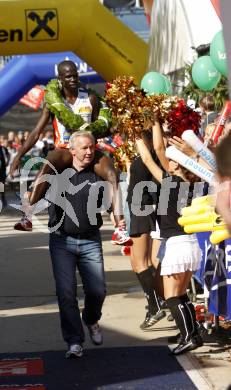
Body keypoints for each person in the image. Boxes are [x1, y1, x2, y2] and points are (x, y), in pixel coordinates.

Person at [10, 60, 127, 241]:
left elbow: (102, 128)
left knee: (112, 174)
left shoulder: (91, 98)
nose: (73, 79)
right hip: (64, 149)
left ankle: (120, 228)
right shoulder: (52, 101)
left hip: (89, 148)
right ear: (60, 79)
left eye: (75, 75)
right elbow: (36, 133)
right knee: (48, 164)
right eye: (68, 76)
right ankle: (27, 216)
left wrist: (119, 123)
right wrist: (19, 155)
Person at [136, 119, 203, 355]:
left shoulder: (171, 183)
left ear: (177, 166)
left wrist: (135, 132)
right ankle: (193, 332)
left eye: (173, 160)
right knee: (181, 294)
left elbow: (150, 156)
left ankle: (189, 337)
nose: (168, 161)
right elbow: (158, 152)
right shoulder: (196, 184)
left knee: (172, 296)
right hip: (189, 242)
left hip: (177, 243)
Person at [48, 130, 111, 358]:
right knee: (66, 293)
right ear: (71, 150)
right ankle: (74, 341)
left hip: (90, 240)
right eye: (84, 148)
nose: (88, 151)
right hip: (61, 242)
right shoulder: (57, 172)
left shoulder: (98, 173)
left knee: (98, 290)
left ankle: (91, 319)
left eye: (91, 147)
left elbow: (111, 196)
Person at [125, 131, 165, 329]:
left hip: (143, 207)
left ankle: (156, 304)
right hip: (136, 208)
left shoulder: (151, 157)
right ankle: (157, 302)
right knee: (136, 263)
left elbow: (151, 151)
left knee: (143, 263)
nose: (132, 138)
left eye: (136, 136)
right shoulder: (140, 158)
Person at [0, 143, 10, 208]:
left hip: (2, 170)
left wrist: (7, 162)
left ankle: (3, 198)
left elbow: (8, 155)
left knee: (2, 185)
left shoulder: (3, 148)